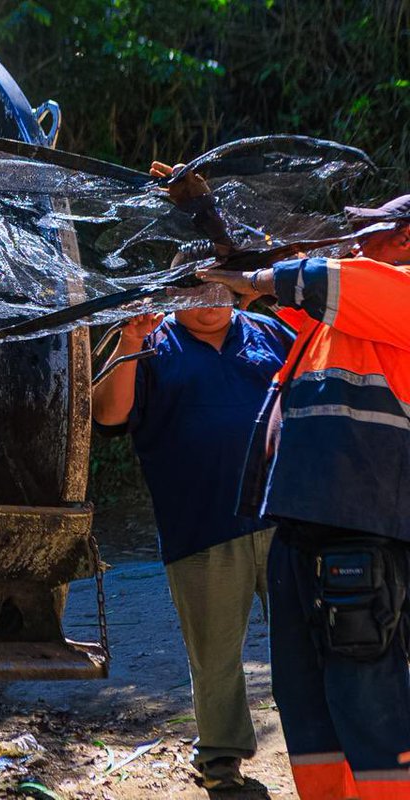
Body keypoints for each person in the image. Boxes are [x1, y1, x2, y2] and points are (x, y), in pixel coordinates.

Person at [199, 195, 410, 800]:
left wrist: (261, 276)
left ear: (404, 239)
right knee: (307, 705)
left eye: (366, 234)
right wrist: (218, 232)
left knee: (372, 707)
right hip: (302, 534)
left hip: (367, 537)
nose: (352, 244)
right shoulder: (338, 321)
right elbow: (298, 292)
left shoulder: (388, 294)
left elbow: (326, 281)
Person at [91, 163, 293, 791]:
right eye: (194, 289)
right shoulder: (149, 342)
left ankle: (322, 742)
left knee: (306, 641)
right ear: (174, 293)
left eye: (218, 288)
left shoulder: (269, 331)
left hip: (285, 518)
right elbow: (108, 414)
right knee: (215, 655)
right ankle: (222, 759)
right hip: (201, 526)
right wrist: (128, 341)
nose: (209, 300)